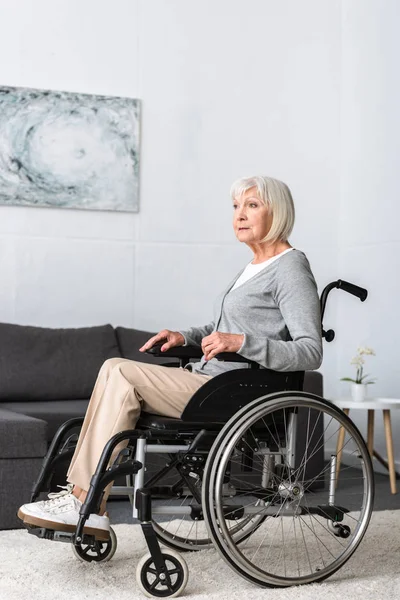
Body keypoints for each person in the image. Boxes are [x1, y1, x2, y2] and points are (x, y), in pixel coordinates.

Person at [17, 175, 323, 540]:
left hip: (235, 391)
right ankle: (86, 502)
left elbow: (310, 349)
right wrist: (186, 336)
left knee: (121, 372)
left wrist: (242, 342)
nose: (239, 215)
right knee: (114, 369)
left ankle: (83, 500)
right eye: (236, 206)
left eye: (252, 205)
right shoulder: (252, 268)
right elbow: (222, 327)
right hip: (213, 381)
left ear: (279, 211)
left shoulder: (290, 267)